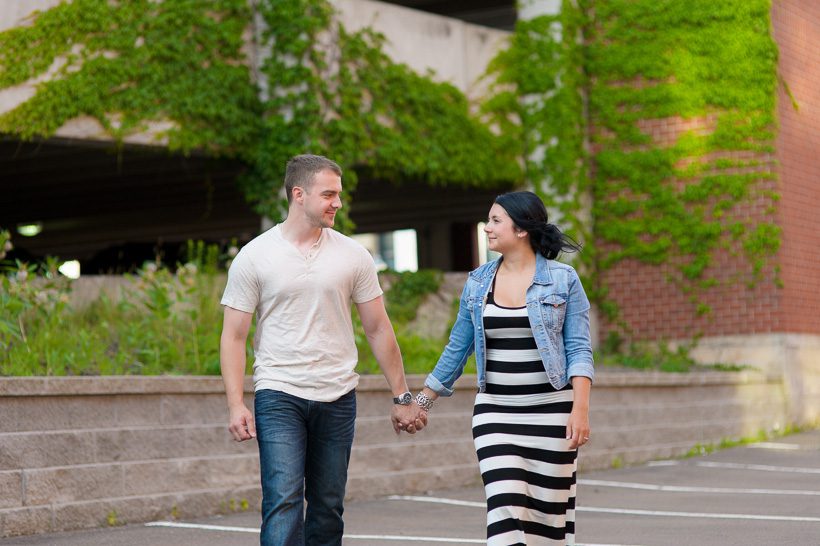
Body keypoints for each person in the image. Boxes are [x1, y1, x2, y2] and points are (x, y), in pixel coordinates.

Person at [219, 154, 427, 546]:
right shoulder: (254, 256)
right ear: (299, 194)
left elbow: (378, 327)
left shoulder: (353, 255)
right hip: (279, 392)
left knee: (328, 506)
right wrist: (235, 403)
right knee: (282, 501)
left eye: (339, 194)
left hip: (338, 395)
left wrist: (402, 396)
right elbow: (233, 336)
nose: (338, 203)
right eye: (329, 194)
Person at [414, 191, 594, 545]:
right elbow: (458, 347)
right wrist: (422, 401)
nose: (487, 228)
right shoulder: (478, 282)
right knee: (504, 508)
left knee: (547, 524)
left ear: (522, 229)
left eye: (496, 220)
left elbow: (578, 349)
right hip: (496, 414)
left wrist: (580, 410)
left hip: (552, 414)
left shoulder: (564, 279)